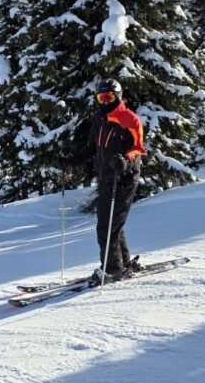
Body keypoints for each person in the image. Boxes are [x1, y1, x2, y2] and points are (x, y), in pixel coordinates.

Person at [59, 79, 147, 284]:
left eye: (108, 97)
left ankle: (112, 269)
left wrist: (125, 160)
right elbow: (92, 149)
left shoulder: (130, 119)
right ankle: (122, 261)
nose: (105, 101)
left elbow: (138, 148)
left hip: (123, 179)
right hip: (106, 178)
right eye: (101, 97)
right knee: (112, 225)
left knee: (107, 227)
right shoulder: (99, 119)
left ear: (118, 96)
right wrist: (71, 161)